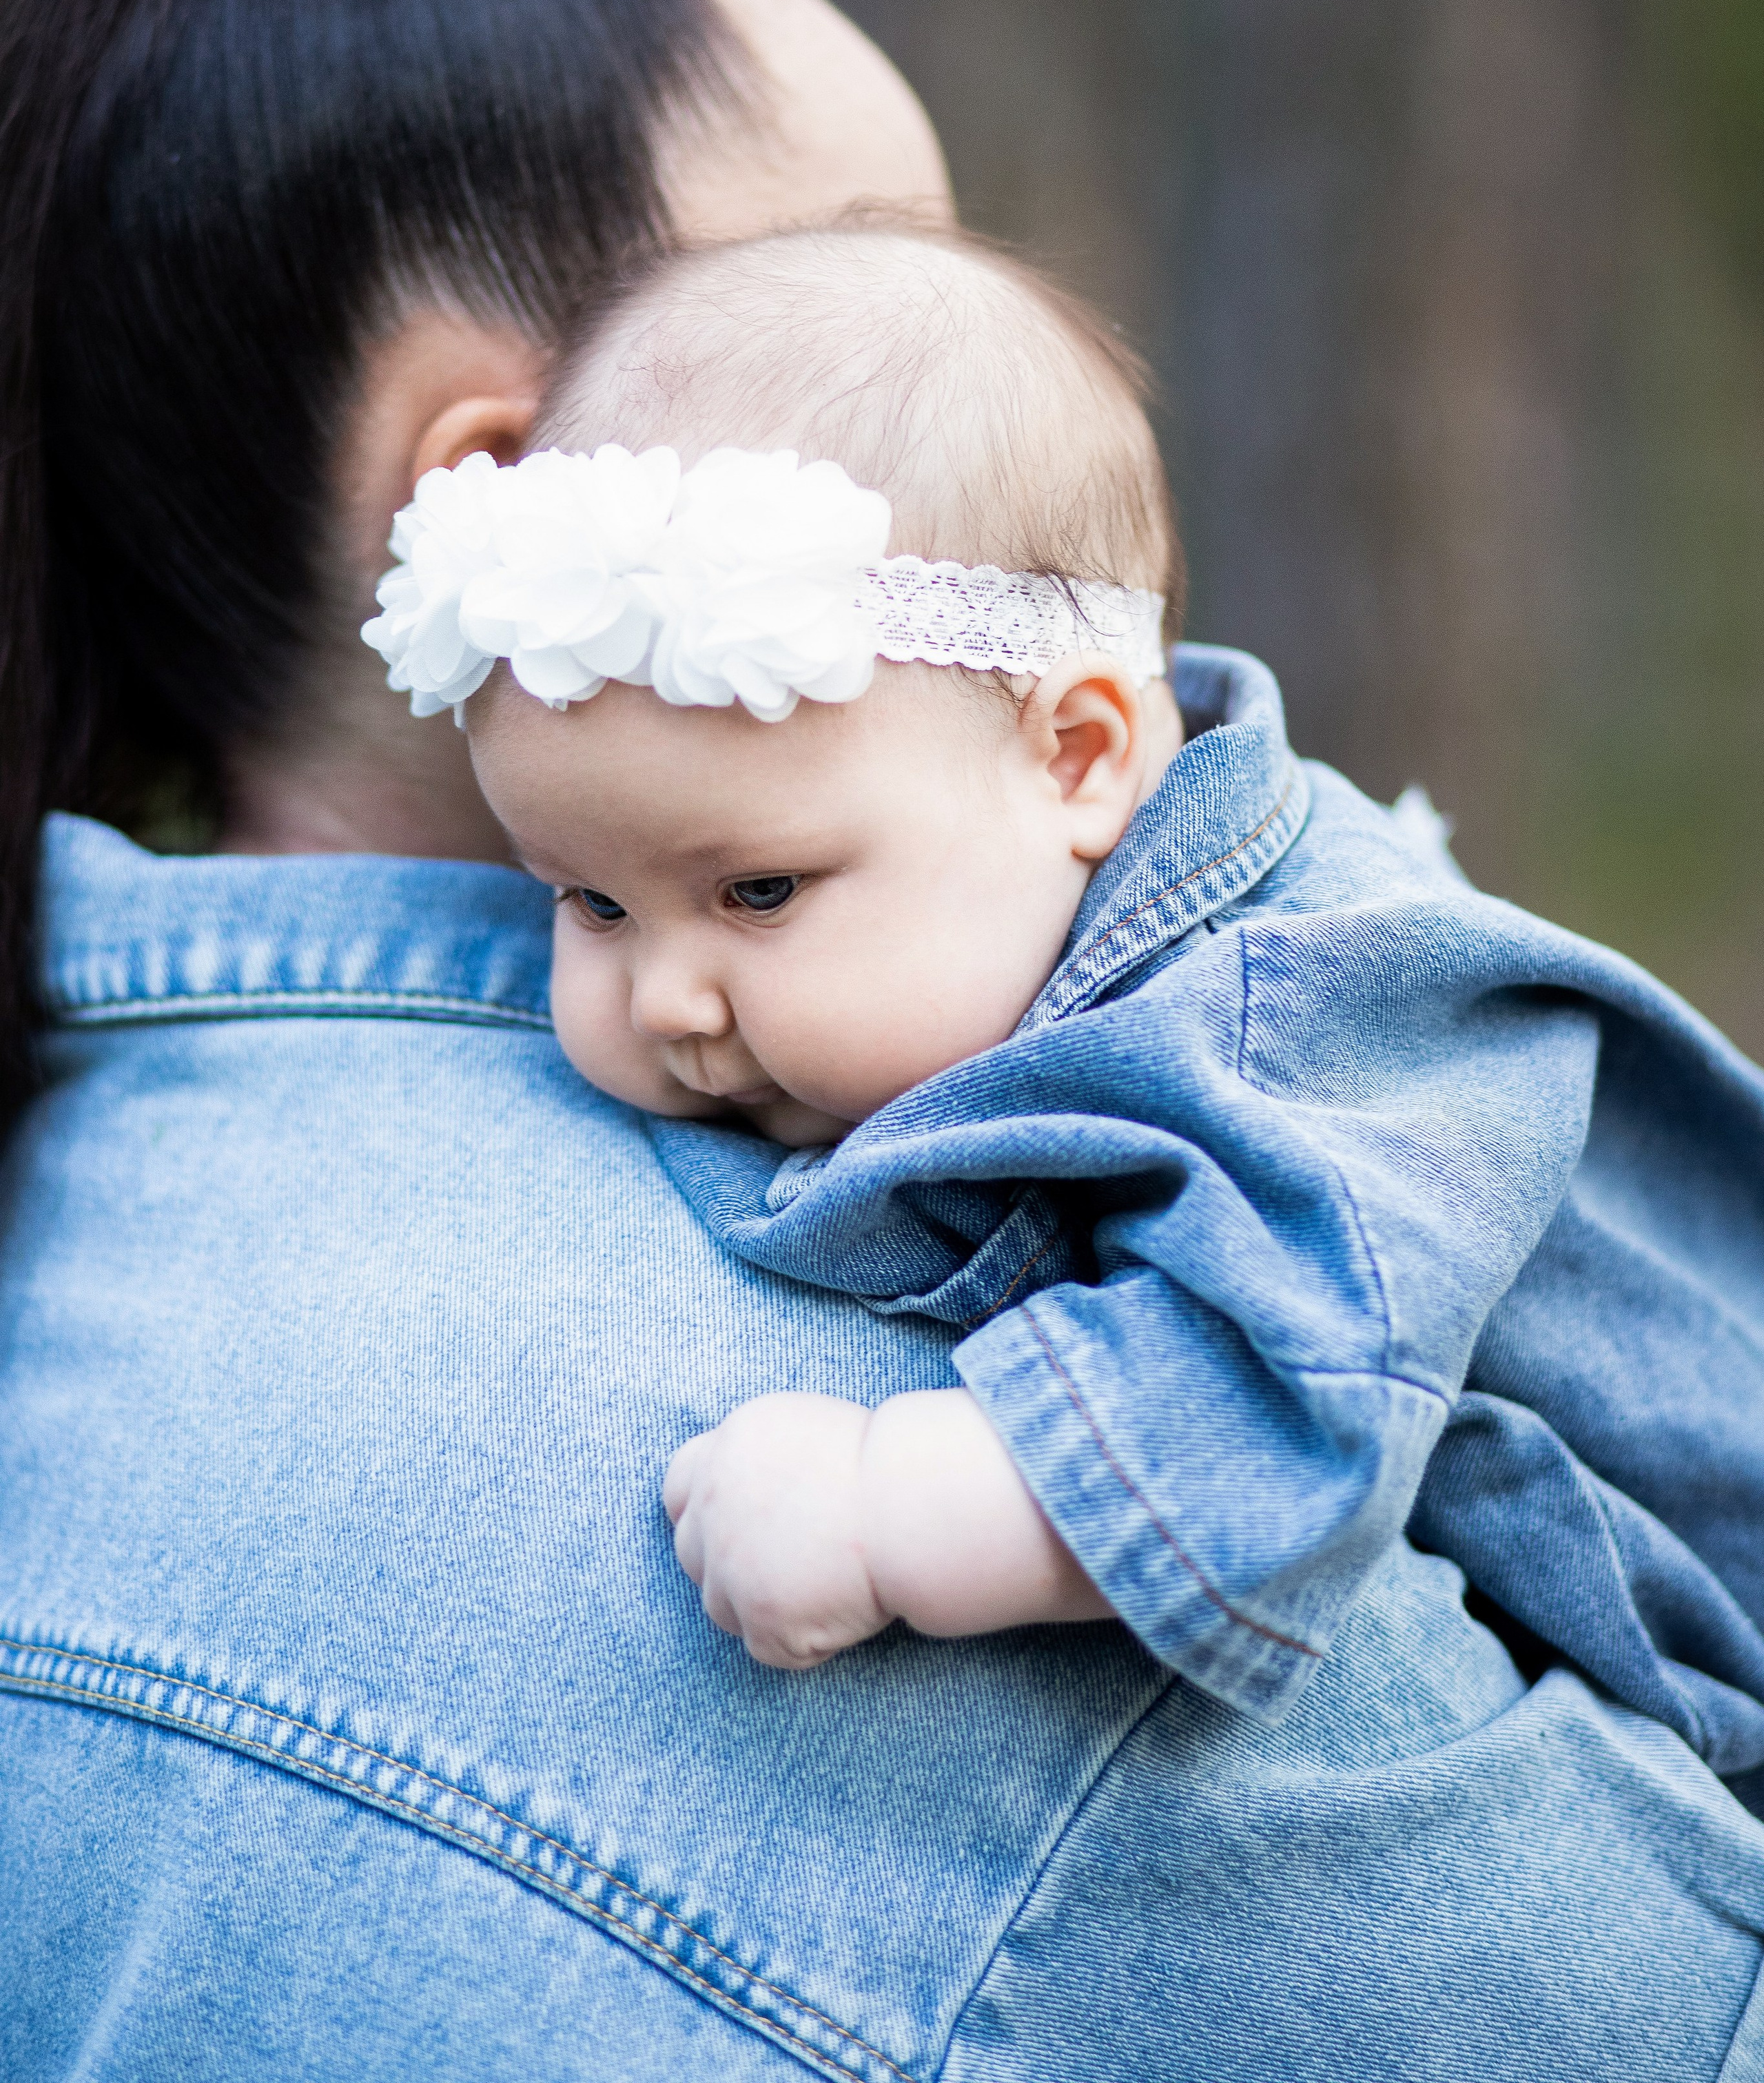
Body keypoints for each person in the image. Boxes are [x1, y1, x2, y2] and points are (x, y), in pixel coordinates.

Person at [3, 0, 1764, 2083]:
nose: (974, 385)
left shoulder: (89, 1239)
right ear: (498, 507)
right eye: (859, 281)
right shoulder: (839, 1441)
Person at [373, 220, 1764, 1798]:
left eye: (757, 893)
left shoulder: (1312, 998)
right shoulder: (995, 896)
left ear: (1077, 759)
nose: (668, 997)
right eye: (587, 901)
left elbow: (1291, 1394)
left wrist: (899, 1500)